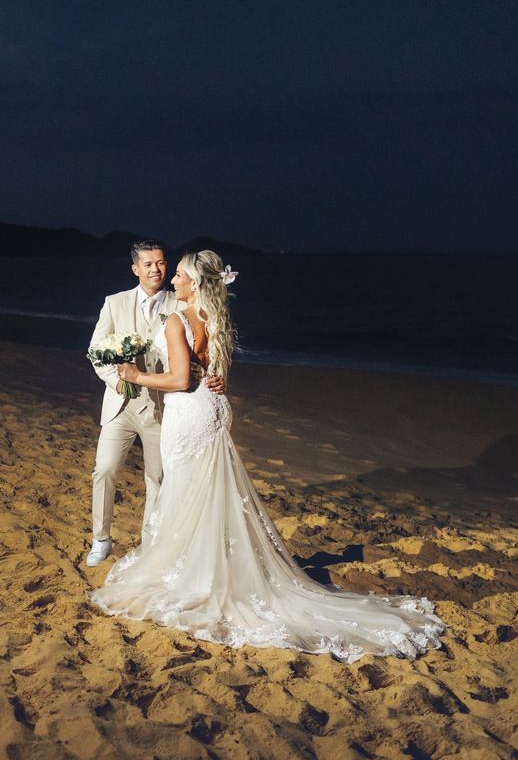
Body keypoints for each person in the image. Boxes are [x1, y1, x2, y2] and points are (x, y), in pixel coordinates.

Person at [88, 250, 445, 661]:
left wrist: (135, 375)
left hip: (187, 415)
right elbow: (214, 373)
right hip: (213, 410)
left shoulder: (176, 319)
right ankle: (208, 566)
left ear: (197, 283)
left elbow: (181, 379)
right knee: (207, 494)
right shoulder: (216, 318)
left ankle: (196, 575)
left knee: (187, 492)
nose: (173, 280)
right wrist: (214, 381)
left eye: (180, 274)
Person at [86, 241, 223, 567]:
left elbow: (206, 342)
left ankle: (149, 547)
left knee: (157, 480)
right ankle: (101, 539)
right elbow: (95, 352)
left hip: (163, 408)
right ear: (136, 268)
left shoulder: (181, 301)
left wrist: (218, 376)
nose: (157, 270)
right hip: (120, 406)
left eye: (161, 263)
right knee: (104, 469)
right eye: (148, 264)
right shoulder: (114, 303)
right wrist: (118, 382)